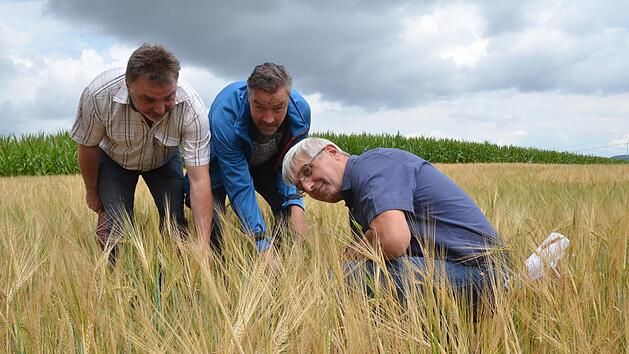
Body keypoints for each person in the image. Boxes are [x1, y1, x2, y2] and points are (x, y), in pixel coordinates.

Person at [282, 137, 508, 308]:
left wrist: (349, 255)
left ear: (332, 152)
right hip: (467, 273)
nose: (309, 187)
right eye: (301, 189)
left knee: (347, 276)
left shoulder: (370, 167)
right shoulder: (357, 197)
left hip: (486, 277)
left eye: (308, 171)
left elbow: (392, 239)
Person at [71, 44, 213, 261]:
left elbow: (199, 180)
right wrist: (92, 193)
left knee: (175, 220)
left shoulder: (192, 109)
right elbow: (88, 146)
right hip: (115, 160)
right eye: (148, 99)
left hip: (164, 160)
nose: (159, 109)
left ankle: (177, 276)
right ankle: (119, 282)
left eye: (168, 98)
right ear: (128, 86)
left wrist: (203, 246)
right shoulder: (98, 95)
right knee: (116, 227)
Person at [186, 63, 310, 253]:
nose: (269, 119)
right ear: (248, 95)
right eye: (259, 107)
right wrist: (260, 240)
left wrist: (295, 203)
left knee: (288, 217)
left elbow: (290, 164)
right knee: (215, 233)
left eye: (278, 108)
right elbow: (239, 183)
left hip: (266, 166)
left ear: (288, 98)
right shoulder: (226, 115)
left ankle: (279, 266)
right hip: (220, 167)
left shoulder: (301, 114)